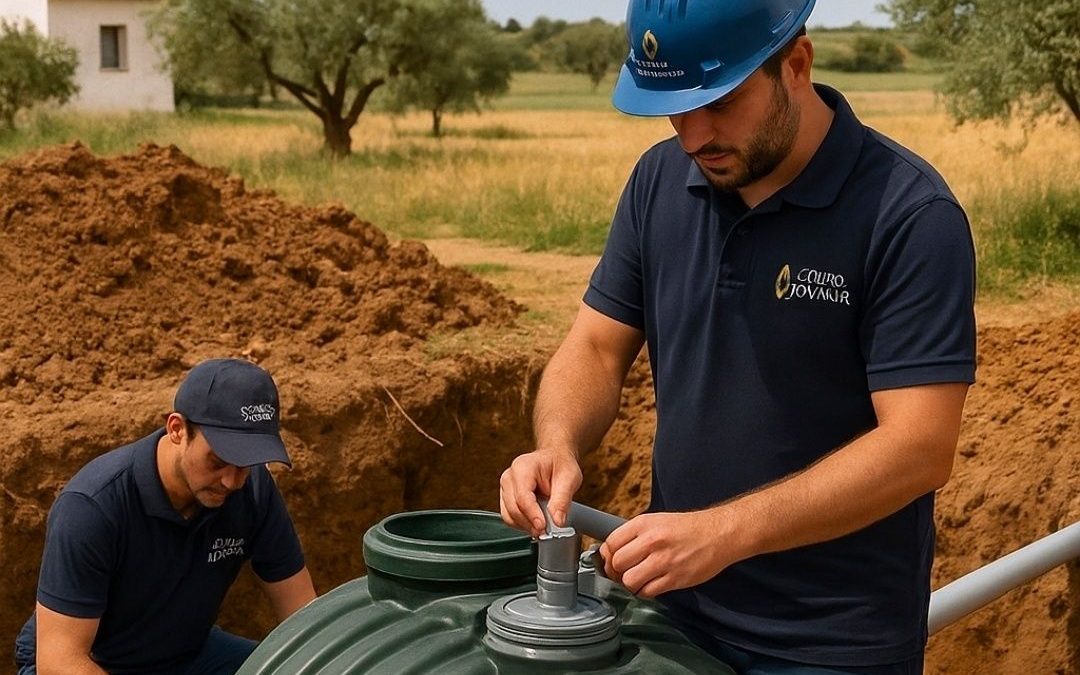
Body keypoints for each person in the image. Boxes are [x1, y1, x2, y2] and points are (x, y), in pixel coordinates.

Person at [499, 1, 976, 673]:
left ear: (798, 65)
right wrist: (556, 445)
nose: (693, 136)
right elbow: (596, 348)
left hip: (830, 642)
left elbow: (919, 446)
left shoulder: (909, 215)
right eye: (674, 108)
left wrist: (725, 532)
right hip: (673, 610)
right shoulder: (658, 183)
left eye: (718, 102)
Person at [14, 358, 316, 675]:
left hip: (186, 653)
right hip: (95, 663)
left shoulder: (252, 488)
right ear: (177, 429)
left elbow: (303, 615)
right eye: (218, 460)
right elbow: (59, 661)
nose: (231, 480)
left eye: (246, 462)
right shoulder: (93, 506)